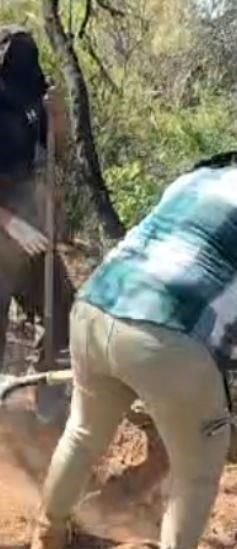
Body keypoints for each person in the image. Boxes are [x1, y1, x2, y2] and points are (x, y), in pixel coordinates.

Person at [24, 139, 237, 549]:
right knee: (196, 472)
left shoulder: (203, 175)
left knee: (81, 434)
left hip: (97, 307)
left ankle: (46, 541)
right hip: (172, 332)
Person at [0, 25, 73, 372]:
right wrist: (10, 222)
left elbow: (64, 155)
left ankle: (41, 387)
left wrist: (58, 115)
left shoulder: (34, 97)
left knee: (63, 309)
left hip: (29, 223)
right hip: (8, 224)